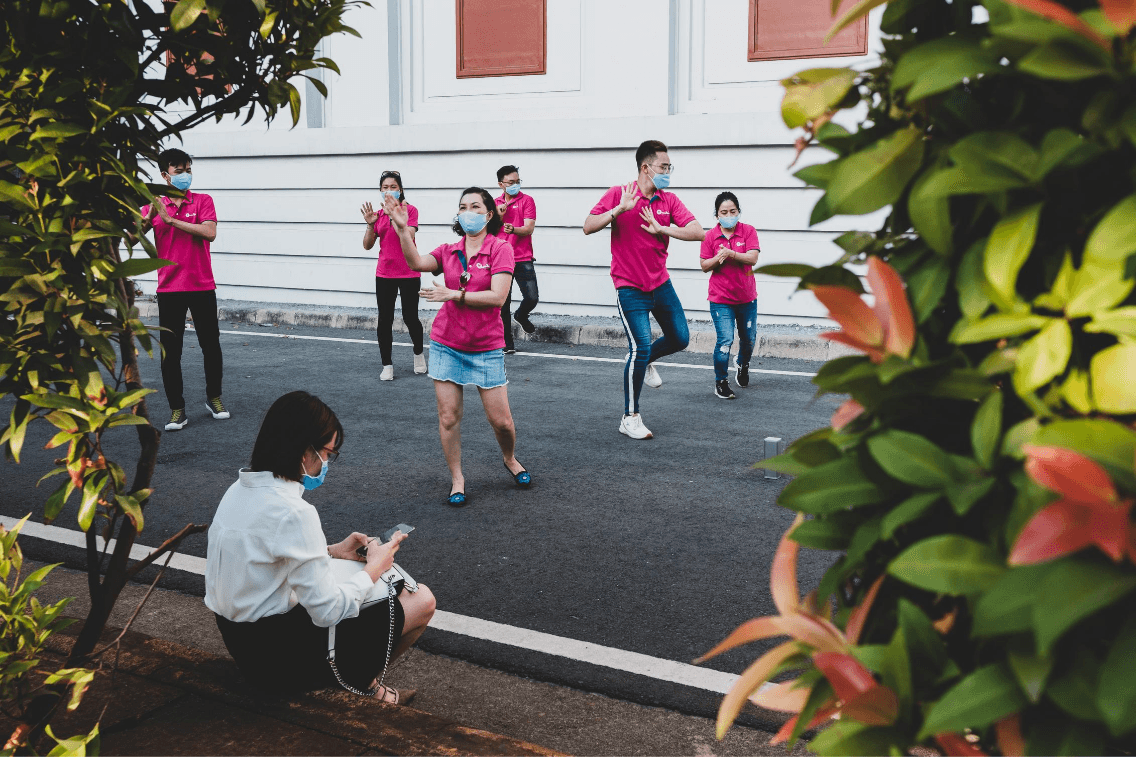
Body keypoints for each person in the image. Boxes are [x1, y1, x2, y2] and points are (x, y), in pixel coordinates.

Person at [205, 391, 436, 705]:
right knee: (420, 599)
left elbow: (262, 558)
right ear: (303, 450)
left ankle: (365, 682)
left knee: (343, 577)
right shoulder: (294, 512)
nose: (327, 463)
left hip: (243, 645)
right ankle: (364, 688)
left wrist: (333, 550)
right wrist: (373, 569)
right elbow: (328, 611)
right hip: (277, 662)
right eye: (328, 453)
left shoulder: (239, 489)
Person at [384, 187, 532, 507]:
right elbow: (416, 262)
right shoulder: (449, 251)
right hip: (446, 343)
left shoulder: (500, 248)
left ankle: (509, 458)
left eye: (475, 206)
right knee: (449, 417)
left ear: (489, 214)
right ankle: (457, 478)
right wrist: (400, 228)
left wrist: (453, 295)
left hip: (486, 346)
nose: (468, 212)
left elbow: (498, 297)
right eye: (463, 206)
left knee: (501, 421)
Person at [583, 140, 704, 440]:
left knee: (680, 337)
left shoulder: (668, 200)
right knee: (640, 347)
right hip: (629, 287)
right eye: (664, 167)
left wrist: (664, 229)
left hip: (660, 283)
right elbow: (587, 226)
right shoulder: (619, 194)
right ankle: (630, 416)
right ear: (645, 168)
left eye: (669, 167)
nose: (668, 172)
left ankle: (647, 360)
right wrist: (618, 209)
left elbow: (698, 231)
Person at [139, 148, 227, 433]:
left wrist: (173, 220)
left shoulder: (203, 200)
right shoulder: (154, 205)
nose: (186, 175)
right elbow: (132, 234)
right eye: (179, 171)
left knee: (210, 346)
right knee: (171, 352)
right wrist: (146, 214)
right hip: (170, 288)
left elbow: (210, 232)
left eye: (188, 169)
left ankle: (214, 398)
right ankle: (177, 409)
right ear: (165, 175)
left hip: (202, 285)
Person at [361, 171, 426, 380]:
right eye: (385, 187)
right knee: (385, 319)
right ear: (380, 190)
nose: (389, 191)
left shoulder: (410, 210)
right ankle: (387, 365)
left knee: (411, 317)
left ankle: (418, 353)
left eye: (393, 187)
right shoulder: (378, 216)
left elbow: (410, 235)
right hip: (385, 274)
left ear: (400, 189)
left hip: (409, 272)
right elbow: (367, 245)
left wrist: (397, 219)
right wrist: (370, 224)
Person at [700, 192, 761, 400]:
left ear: (738, 212)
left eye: (732, 211)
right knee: (725, 340)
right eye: (723, 212)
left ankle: (742, 363)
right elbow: (704, 266)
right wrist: (719, 257)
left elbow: (753, 258)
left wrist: (732, 254)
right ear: (716, 215)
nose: (728, 215)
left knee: (749, 340)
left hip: (747, 298)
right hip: (720, 300)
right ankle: (721, 382)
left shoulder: (748, 231)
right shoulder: (709, 237)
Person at [494, 165, 538, 352]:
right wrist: (498, 216)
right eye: (511, 182)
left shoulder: (527, 200)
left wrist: (513, 229)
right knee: (503, 303)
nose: (515, 185)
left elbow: (529, 228)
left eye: (518, 181)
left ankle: (521, 315)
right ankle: (507, 343)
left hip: (523, 257)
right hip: (501, 259)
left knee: (532, 297)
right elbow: (486, 230)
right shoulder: (493, 203)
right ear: (501, 184)